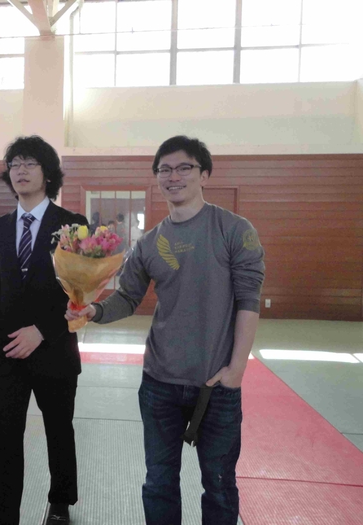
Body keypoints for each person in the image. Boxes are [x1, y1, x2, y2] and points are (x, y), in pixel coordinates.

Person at [66, 136, 265, 525]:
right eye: (164, 170)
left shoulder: (234, 230)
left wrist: (237, 369)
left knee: (220, 485)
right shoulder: (149, 243)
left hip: (217, 384)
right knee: (159, 483)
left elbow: (248, 300)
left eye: (184, 167)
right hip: (160, 383)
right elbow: (128, 297)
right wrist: (94, 310)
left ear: (204, 174)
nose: (173, 176)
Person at [0, 136, 88, 525]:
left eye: (29, 163)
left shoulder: (72, 225)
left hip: (54, 349)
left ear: (47, 173)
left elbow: (80, 295)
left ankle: (61, 503)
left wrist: (43, 331)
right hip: (7, 352)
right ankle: (4, 516)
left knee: (58, 430)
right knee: (6, 436)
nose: (20, 170)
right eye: (15, 164)